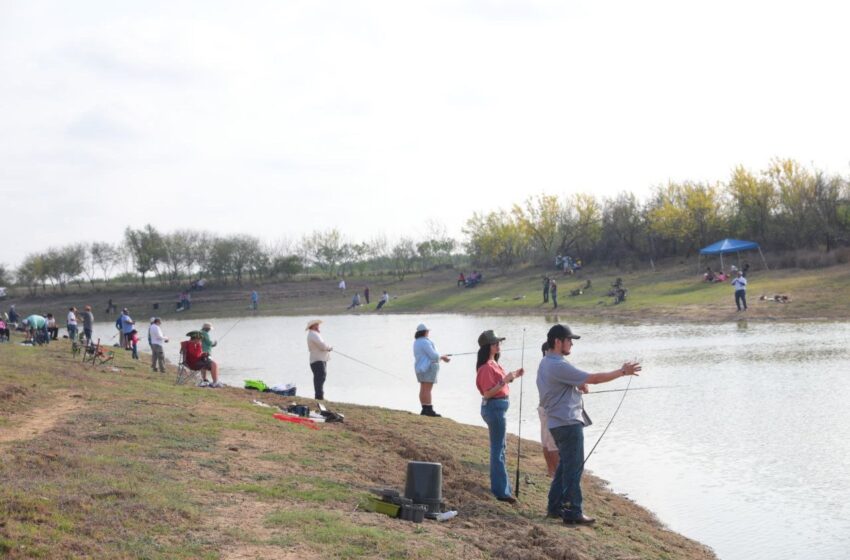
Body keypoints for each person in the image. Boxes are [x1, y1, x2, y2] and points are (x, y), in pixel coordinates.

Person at [537, 323, 641, 524]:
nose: (571, 345)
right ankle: (573, 511)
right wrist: (622, 372)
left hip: (557, 423)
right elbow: (594, 378)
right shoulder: (558, 364)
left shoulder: (546, 362)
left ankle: (554, 506)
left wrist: (576, 385)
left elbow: (563, 383)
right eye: (569, 341)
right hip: (567, 424)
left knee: (565, 467)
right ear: (558, 342)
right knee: (574, 469)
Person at [475, 329, 524, 503]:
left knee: (500, 448)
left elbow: (500, 383)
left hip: (498, 408)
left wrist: (513, 376)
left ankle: (503, 489)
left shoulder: (493, 363)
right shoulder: (486, 367)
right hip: (494, 408)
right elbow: (488, 393)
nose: (499, 345)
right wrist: (505, 380)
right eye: (496, 343)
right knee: (498, 450)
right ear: (488, 346)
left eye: (499, 343)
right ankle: (501, 492)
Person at [413, 323, 451, 417]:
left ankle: (424, 408)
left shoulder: (416, 342)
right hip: (428, 367)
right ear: (425, 332)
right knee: (428, 389)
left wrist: (440, 357)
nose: (428, 333)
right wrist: (442, 357)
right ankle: (429, 410)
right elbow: (434, 356)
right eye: (427, 331)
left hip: (420, 367)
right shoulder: (425, 342)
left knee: (423, 388)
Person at [537, 342, 559, 478]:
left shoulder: (543, 365)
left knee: (546, 442)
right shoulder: (550, 365)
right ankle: (554, 472)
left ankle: (551, 471)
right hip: (548, 410)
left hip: (543, 407)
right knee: (551, 444)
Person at [306, 319, 332, 400]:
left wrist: (328, 347)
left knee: (321, 376)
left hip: (319, 359)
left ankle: (319, 395)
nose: (318, 326)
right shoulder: (313, 334)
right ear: (313, 326)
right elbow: (322, 346)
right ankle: (319, 396)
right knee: (320, 377)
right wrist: (329, 347)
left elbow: (322, 345)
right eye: (317, 325)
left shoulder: (314, 334)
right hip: (317, 359)